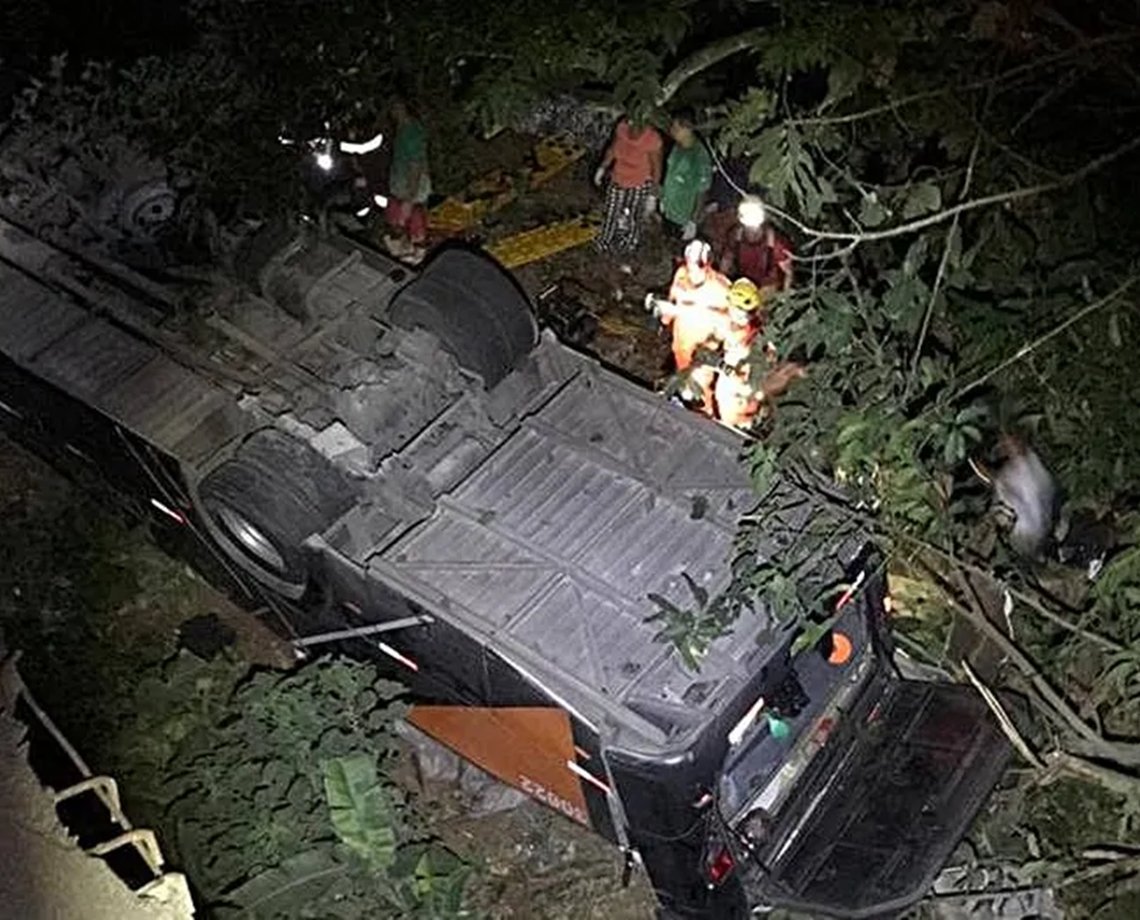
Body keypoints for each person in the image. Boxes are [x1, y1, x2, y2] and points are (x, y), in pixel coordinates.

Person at [658, 239, 730, 413]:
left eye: (698, 265)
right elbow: (673, 296)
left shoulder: (721, 287)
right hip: (682, 341)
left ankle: (705, 417)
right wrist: (666, 316)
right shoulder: (682, 274)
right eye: (690, 264)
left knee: (701, 387)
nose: (693, 270)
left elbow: (730, 322)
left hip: (703, 350)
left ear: (708, 264)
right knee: (682, 377)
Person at [593, 113, 663, 255]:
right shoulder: (622, 128)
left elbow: (657, 167)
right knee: (612, 211)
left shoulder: (652, 139)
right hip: (619, 177)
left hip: (640, 182)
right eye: (630, 122)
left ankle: (629, 243)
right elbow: (613, 149)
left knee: (634, 216)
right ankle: (604, 241)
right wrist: (602, 168)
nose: (632, 127)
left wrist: (653, 194)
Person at [717, 196, 794, 293]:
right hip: (743, 286)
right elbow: (726, 262)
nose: (752, 231)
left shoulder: (777, 242)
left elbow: (788, 273)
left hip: (767, 287)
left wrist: (784, 299)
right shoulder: (735, 236)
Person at [385, 99, 431, 246]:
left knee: (413, 227)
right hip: (403, 188)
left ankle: (416, 253)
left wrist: (409, 198)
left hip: (410, 191)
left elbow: (416, 166)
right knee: (402, 225)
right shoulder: (403, 129)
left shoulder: (411, 133)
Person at [660, 115, 713, 241]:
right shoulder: (677, 147)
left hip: (683, 217)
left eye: (676, 127)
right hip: (668, 210)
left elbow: (703, 191)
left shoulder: (699, 156)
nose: (672, 130)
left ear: (687, 129)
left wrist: (693, 222)